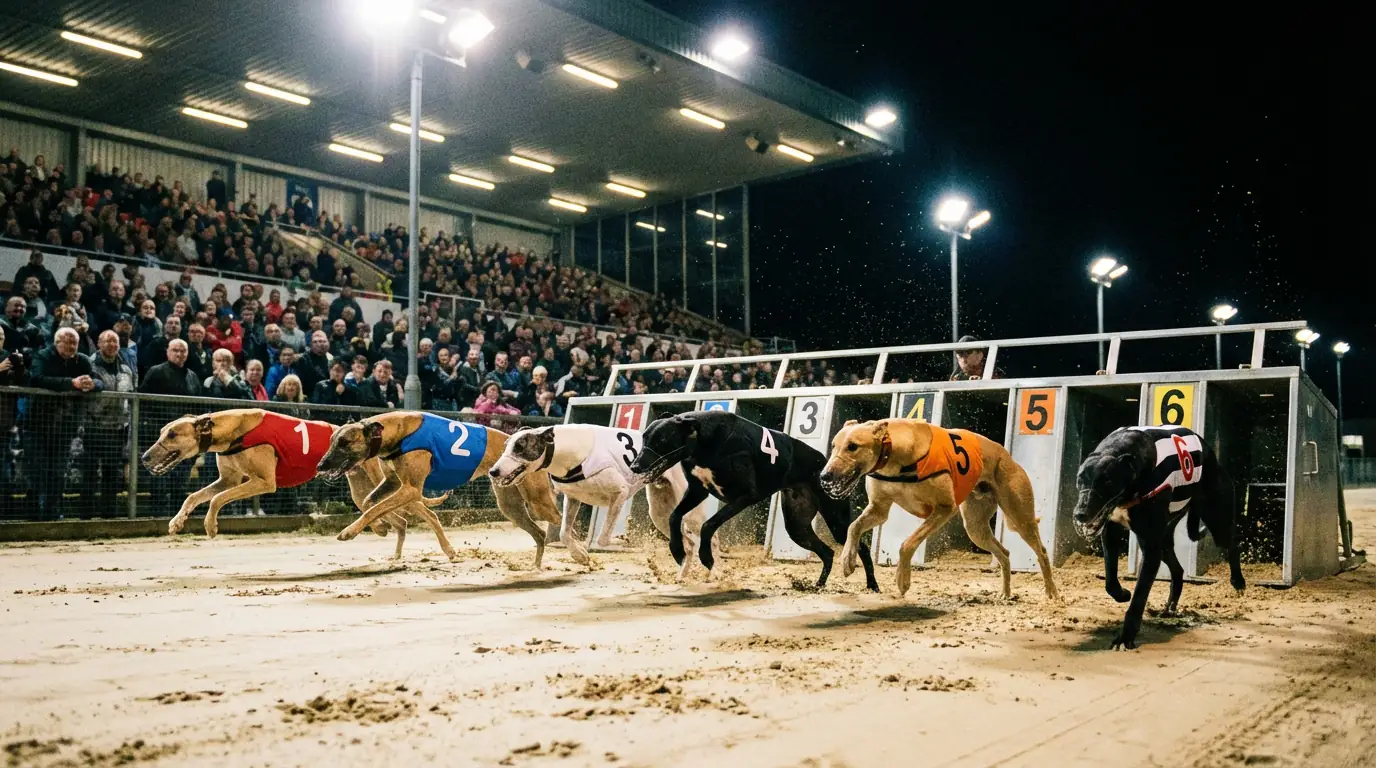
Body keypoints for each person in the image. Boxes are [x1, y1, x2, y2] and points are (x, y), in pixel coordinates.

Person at [27, 328, 96, 520]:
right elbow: (36, 379)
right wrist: (71, 383)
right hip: (37, 424)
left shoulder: (82, 360)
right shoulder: (43, 356)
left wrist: (92, 384)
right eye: (67, 342)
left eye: (74, 342)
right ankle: (32, 515)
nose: (72, 346)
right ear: (57, 342)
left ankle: (53, 513)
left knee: (58, 473)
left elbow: (98, 381)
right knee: (38, 471)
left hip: (65, 426)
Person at [83, 330, 135, 517]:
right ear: (99, 343)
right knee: (89, 473)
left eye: (115, 342)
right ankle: (86, 513)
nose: (112, 345)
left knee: (111, 474)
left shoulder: (126, 368)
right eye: (108, 341)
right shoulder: (89, 364)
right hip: (93, 427)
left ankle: (108, 514)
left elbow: (131, 393)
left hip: (117, 428)